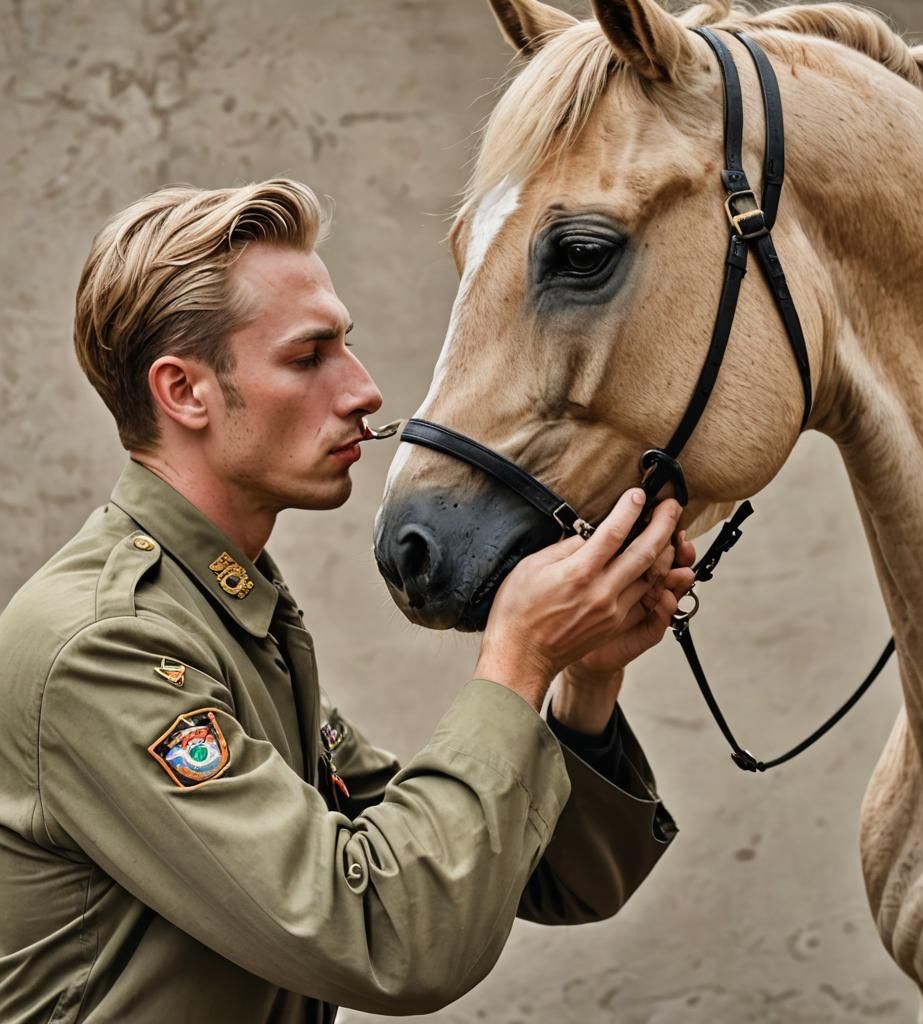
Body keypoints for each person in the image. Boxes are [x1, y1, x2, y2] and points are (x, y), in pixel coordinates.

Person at [0, 179, 696, 1023]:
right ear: (185, 392)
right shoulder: (107, 644)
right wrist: (516, 659)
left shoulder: (226, 610)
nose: (365, 390)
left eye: (348, 345)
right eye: (308, 356)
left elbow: (532, 876)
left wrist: (582, 681)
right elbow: (384, 935)